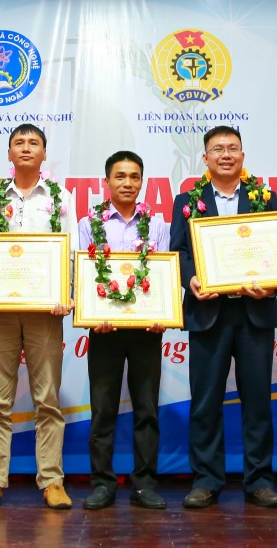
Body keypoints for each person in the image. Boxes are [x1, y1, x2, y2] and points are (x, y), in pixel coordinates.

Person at [0, 123, 77, 510]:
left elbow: (70, 252)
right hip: (0, 312)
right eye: (19, 143)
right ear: (9, 153)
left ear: (44, 154)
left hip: (45, 312)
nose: (26, 148)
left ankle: (52, 480)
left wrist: (66, 294)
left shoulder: (61, 199)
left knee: (48, 400)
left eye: (33, 143)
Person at [169, 126, 277, 509]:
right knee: (205, 402)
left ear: (242, 156)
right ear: (205, 158)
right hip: (209, 313)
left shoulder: (264, 197)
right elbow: (179, 251)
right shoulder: (187, 200)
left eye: (232, 148)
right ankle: (206, 479)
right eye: (217, 149)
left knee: (258, 401)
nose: (225, 154)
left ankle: (260, 481)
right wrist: (191, 279)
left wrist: (272, 285)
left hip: (255, 312)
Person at [77, 151, 171, 511]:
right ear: (107, 182)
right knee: (103, 410)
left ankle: (144, 484)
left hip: (147, 329)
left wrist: (162, 313)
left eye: (134, 177)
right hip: (104, 329)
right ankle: (102, 483)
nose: (127, 183)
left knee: (147, 409)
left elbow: (162, 274)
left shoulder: (157, 225)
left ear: (142, 182)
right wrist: (91, 313)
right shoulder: (89, 224)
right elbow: (84, 273)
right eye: (120, 176)